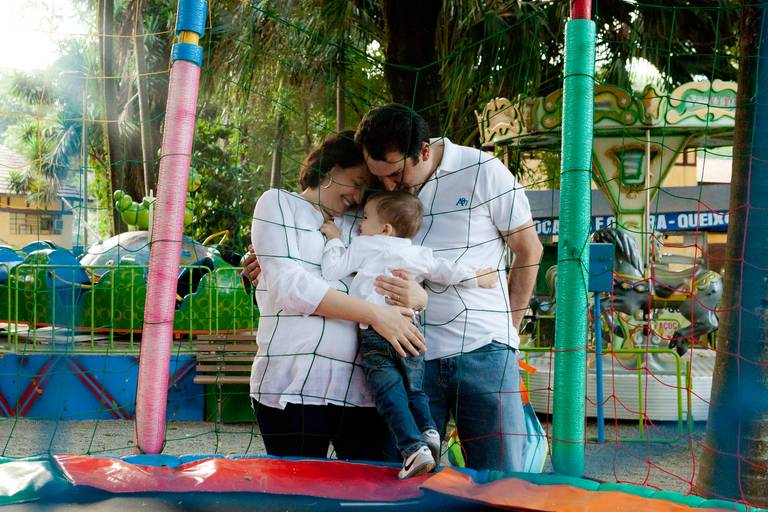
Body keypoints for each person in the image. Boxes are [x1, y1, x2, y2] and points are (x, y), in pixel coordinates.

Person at [354, 103, 543, 472]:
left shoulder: (482, 171)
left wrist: (509, 332)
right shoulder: (381, 194)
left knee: (501, 480)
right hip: (409, 357)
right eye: (380, 178)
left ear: (424, 151)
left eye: (394, 174)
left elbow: (529, 248)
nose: (389, 186)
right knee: (406, 480)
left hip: (484, 351)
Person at [248, 130, 428, 461]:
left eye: (366, 189)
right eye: (356, 182)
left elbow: (401, 271)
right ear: (330, 167)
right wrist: (375, 314)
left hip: (363, 391)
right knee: (299, 498)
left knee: (371, 495)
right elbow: (292, 288)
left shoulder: (365, 222)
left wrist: (418, 298)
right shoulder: (278, 204)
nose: (359, 196)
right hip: (294, 386)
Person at [319, 190, 496, 479]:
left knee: (390, 395)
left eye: (365, 218)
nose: (360, 224)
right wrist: (478, 277)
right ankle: (428, 431)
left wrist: (334, 238)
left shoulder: (366, 245)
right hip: (411, 333)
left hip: (376, 336)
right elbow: (446, 271)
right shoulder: (418, 253)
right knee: (415, 390)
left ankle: (413, 449)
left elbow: (331, 269)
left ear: (384, 229)